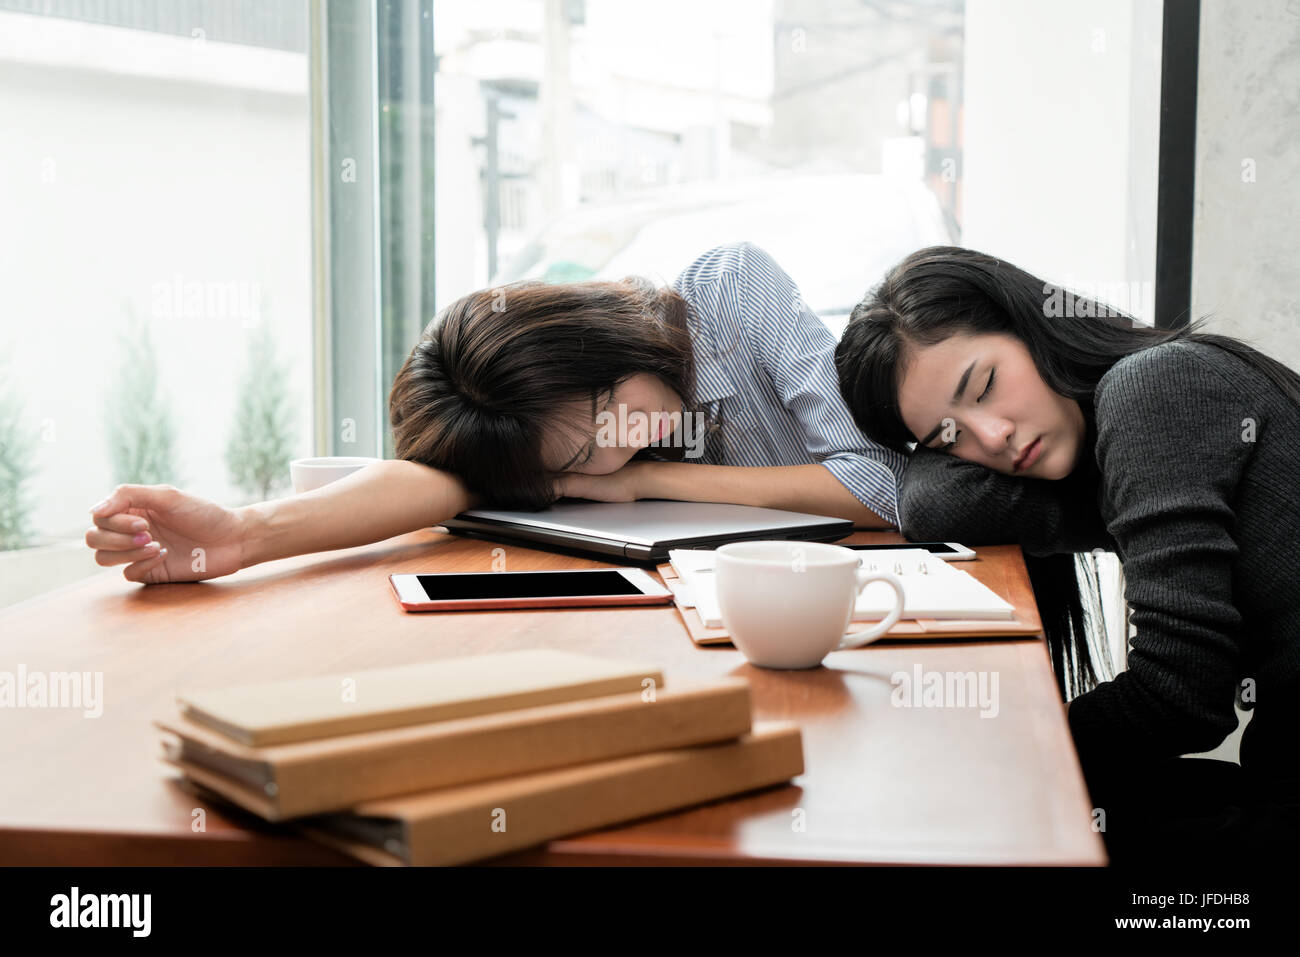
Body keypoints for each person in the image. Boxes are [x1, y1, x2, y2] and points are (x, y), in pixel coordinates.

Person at [833, 244, 1300, 863]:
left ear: (1035, 326)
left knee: (974, 824)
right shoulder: (1104, 455)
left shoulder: (1156, 388)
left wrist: (1000, 750)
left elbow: (1182, 697)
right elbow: (932, 501)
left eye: (985, 385)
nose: (993, 436)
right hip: (1275, 770)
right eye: (949, 437)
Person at [86, 241, 904, 584]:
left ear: (597, 343)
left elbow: (880, 485)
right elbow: (437, 486)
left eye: (607, 409)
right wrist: (245, 533)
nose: (621, 445)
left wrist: (645, 480)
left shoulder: (730, 289)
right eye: (583, 459)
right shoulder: (539, 446)